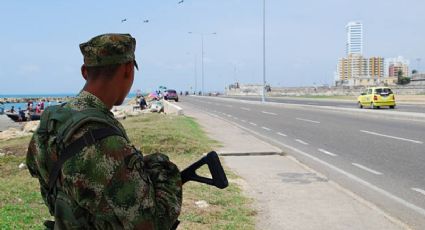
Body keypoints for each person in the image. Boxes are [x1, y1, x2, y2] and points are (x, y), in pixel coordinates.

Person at [26, 33, 182, 229]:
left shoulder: (52, 120)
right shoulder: (103, 140)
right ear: (128, 70)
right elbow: (151, 222)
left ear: (84, 72)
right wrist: (162, 167)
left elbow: (40, 171)